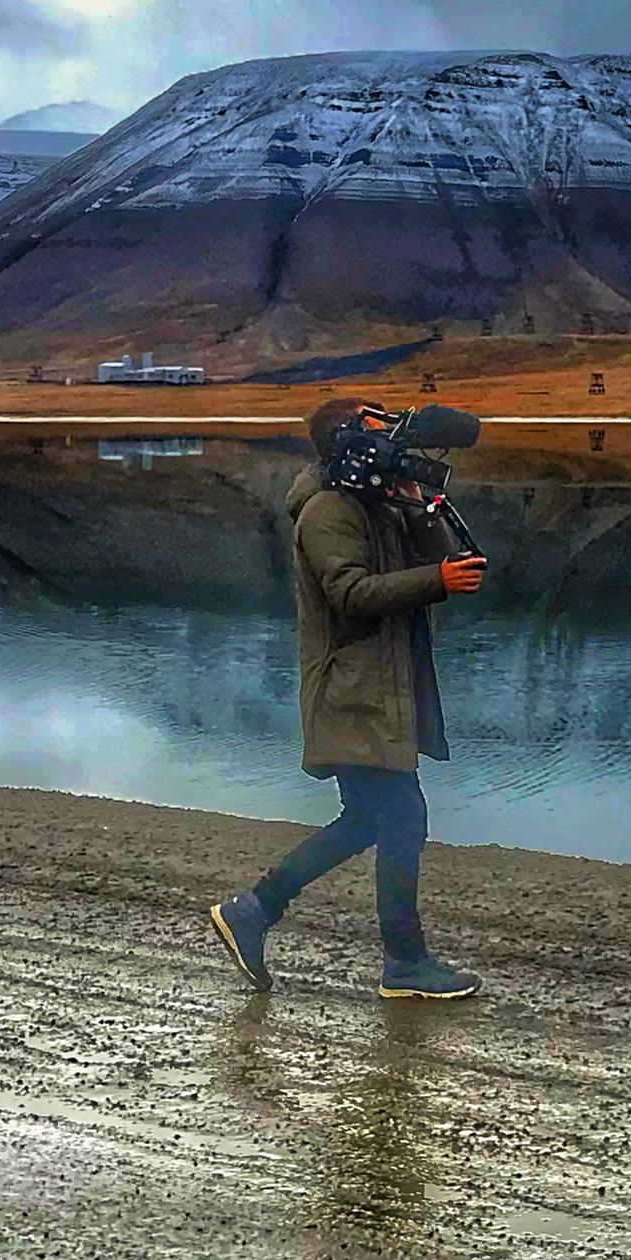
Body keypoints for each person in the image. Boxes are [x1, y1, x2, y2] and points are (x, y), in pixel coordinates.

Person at [209, 396, 491, 1000]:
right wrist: (435, 582)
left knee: (370, 818)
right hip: (352, 692)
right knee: (401, 818)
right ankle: (404, 963)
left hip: (379, 689)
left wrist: (419, 511)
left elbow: (436, 555)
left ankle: (255, 909)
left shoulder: (376, 503)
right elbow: (352, 593)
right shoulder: (327, 511)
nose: (389, 434)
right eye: (373, 425)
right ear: (344, 440)